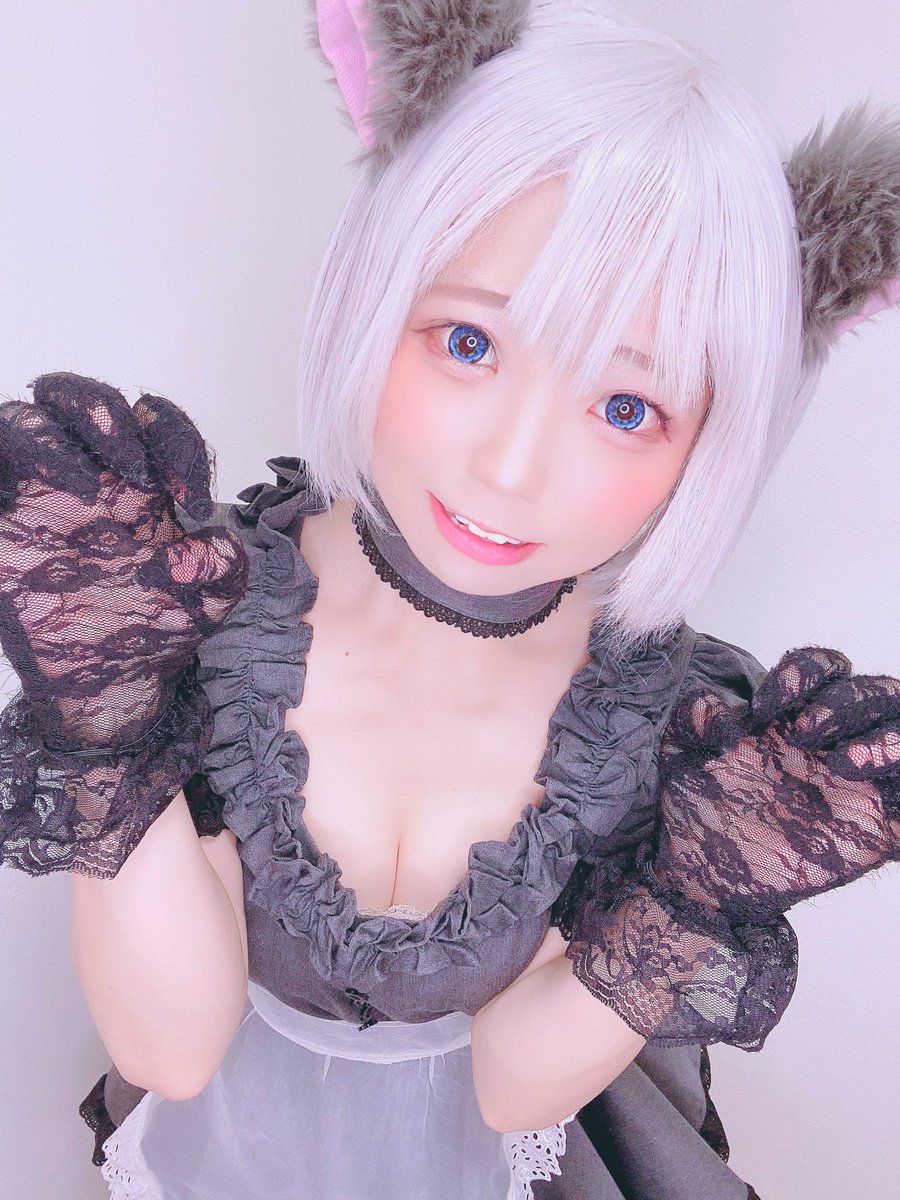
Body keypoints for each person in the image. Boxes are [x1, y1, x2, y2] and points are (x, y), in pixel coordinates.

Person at [1, 1, 898, 1196]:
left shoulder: (673, 736)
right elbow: (170, 1049)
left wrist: (694, 897)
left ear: (715, 442)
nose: (511, 469)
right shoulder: (197, 613)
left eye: (626, 408)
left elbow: (516, 1091)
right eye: (469, 344)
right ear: (381, 289)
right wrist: (106, 717)